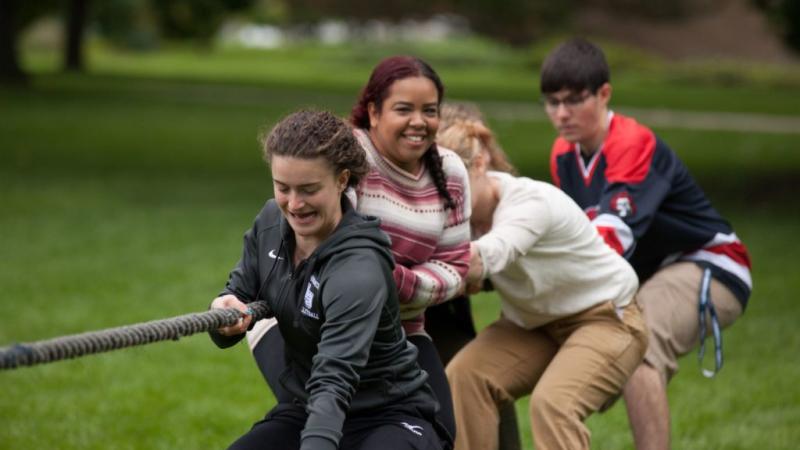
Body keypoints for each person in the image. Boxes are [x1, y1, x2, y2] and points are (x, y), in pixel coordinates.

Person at [539, 38, 753, 450]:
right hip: (647, 273)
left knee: (639, 346)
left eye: (574, 100)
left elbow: (609, 240)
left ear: (604, 94)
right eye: (551, 102)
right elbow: (575, 236)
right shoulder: (562, 153)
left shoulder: (631, 141)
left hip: (712, 262)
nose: (561, 114)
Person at [248, 56, 472, 445]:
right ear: (373, 111)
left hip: (401, 331)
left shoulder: (449, 171)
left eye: (430, 110)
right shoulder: (349, 159)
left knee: (437, 434)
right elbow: (318, 236)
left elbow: (455, 267)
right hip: (316, 325)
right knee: (322, 416)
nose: (419, 121)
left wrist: (391, 281)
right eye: (404, 109)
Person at [208, 110, 447, 450]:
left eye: (308, 189)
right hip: (305, 406)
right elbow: (237, 293)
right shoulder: (270, 224)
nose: (294, 204)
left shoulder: (358, 268)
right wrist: (223, 311)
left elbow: (334, 380)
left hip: (387, 415)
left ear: (341, 179)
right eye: (282, 187)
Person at [440, 118, 648, 450]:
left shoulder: (529, 202)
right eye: (436, 186)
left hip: (607, 318)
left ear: (480, 164)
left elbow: (488, 255)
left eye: (454, 182)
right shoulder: (456, 218)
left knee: (554, 404)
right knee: (466, 376)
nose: (446, 197)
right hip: (534, 324)